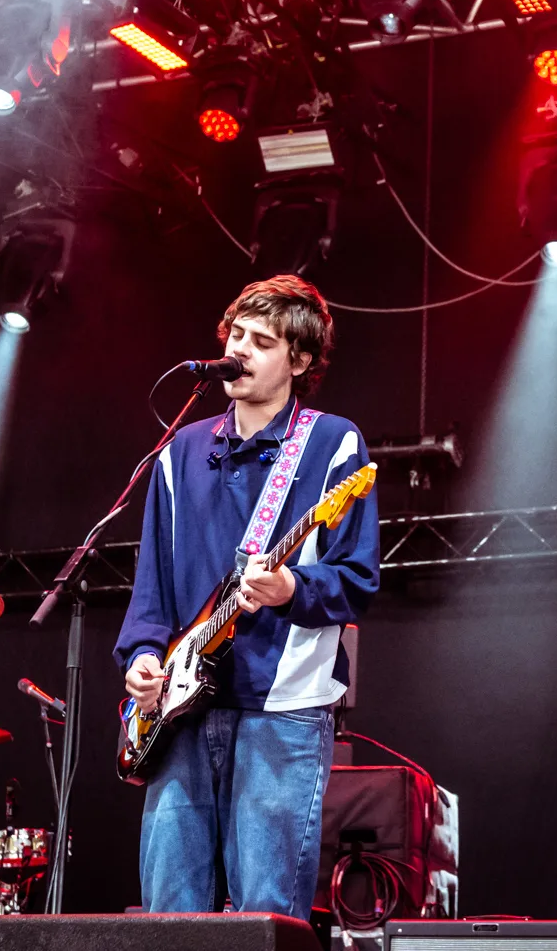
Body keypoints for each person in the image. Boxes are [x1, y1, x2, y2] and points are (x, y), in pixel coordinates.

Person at [116, 274, 380, 918]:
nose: (240, 349)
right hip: (179, 709)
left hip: (281, 707)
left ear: (301, 361)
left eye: (262, 341)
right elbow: (152, 585)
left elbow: (357, 579)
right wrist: (142, 656)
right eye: (236, 335)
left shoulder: (332, 442)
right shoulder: (179, 452)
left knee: (267, 913)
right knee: (168, 913)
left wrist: (291, 587)